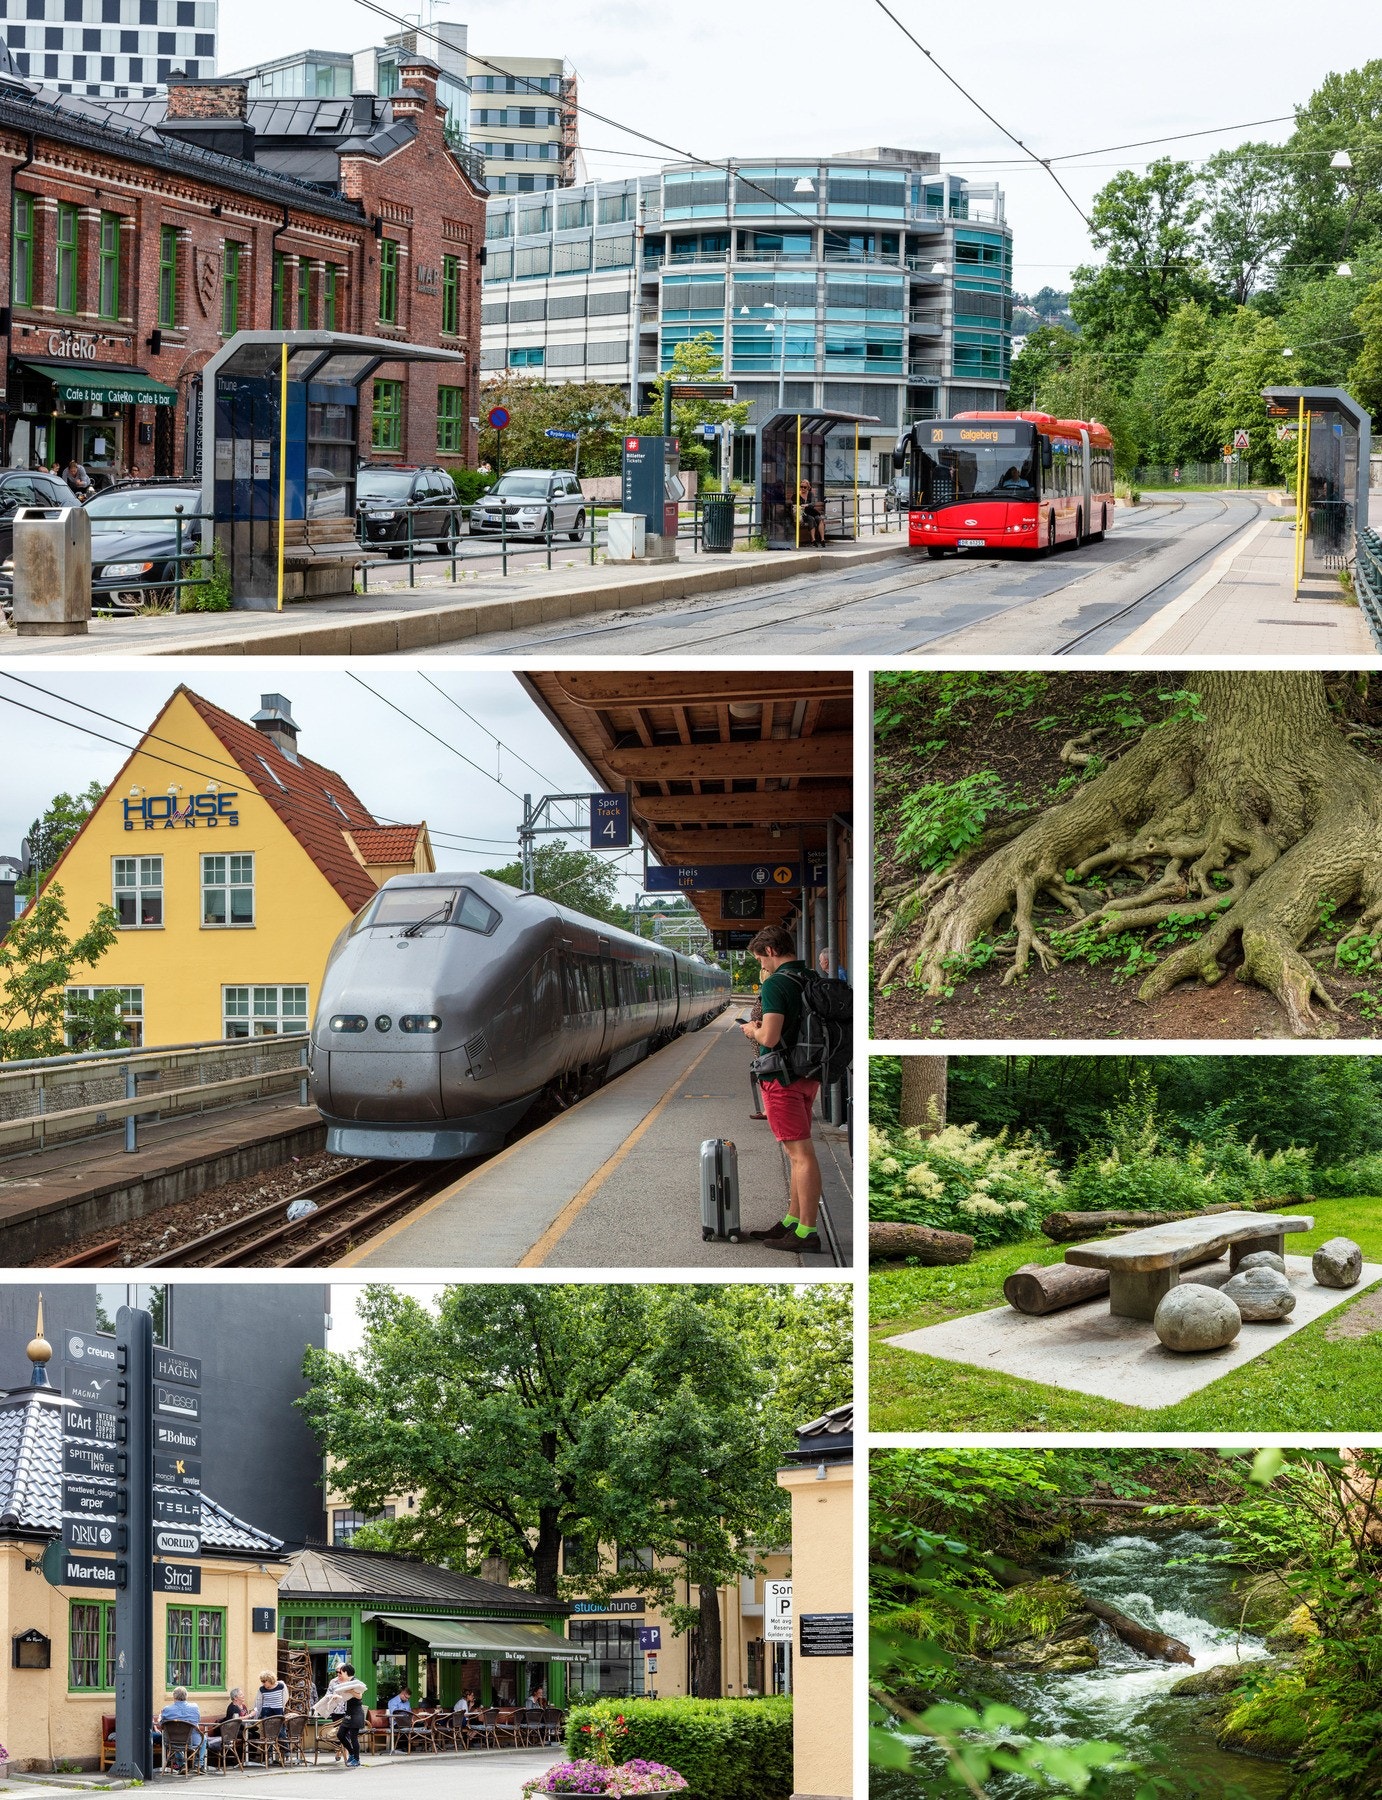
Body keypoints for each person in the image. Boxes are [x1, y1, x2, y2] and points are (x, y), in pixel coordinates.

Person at [740, 923, 823, 1253]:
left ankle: (807, 1232)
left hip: (781, 1078)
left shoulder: (776, 983)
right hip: (807, 1075)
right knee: (797, 1155)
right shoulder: (811, 977)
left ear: (771, 951)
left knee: (801, 1156)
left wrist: (752, 1030)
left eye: (760, 959)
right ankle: (793, 1221)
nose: (761, 965)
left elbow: (770, 1037)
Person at [159, 1687, 207, 1772]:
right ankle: (199, 1765)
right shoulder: (194, 1707)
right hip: (192, 1741)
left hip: (173, 1741)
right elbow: (197, 1720)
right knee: (204, 1739)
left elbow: (161, 1725)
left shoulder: (167, 1709)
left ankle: (182, 1764)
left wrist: (160, 1717)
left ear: (174, 1696)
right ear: (186, 1696)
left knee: (175, 1737)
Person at [330, 1664, 367, 1768]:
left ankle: (357, 1760)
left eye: (341, 1672)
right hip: (349, 1713)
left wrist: (351, 1691)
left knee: (353, 1737)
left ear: (346, 1672)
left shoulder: (355, 1682)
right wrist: (336, 1697)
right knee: (340, 1734)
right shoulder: (346, 1683)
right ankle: (351, 1753)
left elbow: (359, 1696)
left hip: (356, 1712)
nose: (339, 1674)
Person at [796, 477, 825, 545]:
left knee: (819, 519)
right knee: (811, 519)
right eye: (801, 487)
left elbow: (813, 503)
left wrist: (807, 505)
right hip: (802, 513)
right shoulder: (797, 494)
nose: (803, 488)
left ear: (808, 487)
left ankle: (822, 539)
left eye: (805, 487)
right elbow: (795, 504)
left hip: (810, 511)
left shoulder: (810, 494)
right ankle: (813, 540)